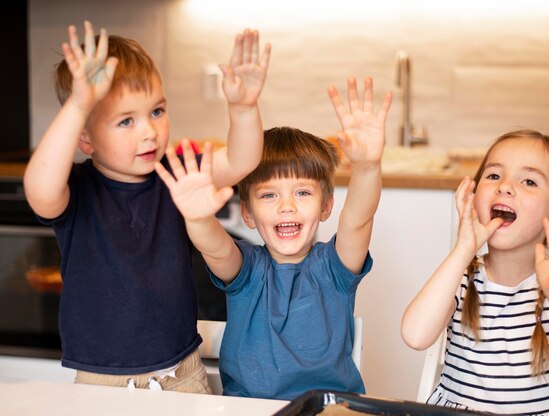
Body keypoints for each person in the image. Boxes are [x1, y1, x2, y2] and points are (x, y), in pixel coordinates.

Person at [23, 20, 271, 393]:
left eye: (156, 111)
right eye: (126, 120)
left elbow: (241, 159)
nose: (149, 132)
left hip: (182, 372)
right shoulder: (76, 191)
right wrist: (79, 104)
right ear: (85, 139)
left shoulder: (177, 175)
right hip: (99, 380)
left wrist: (243, 107)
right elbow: (39, 189)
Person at [156, 76, 392, 399]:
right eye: (269, 196)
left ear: (326, 207)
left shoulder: (334, 269)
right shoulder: (247, 271)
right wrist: (197, 217)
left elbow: (358, 220)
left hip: (329, 409)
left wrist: (367, 166)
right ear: (248, 214)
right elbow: (214, 247)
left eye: (302, 192)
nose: (286, 206)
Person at [401, 130, 549, 415]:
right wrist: (463, 249)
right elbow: (414, 335)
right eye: (494, 176)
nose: (505, 187)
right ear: (474, 197)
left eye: (529, 181)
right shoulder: (461, 278)